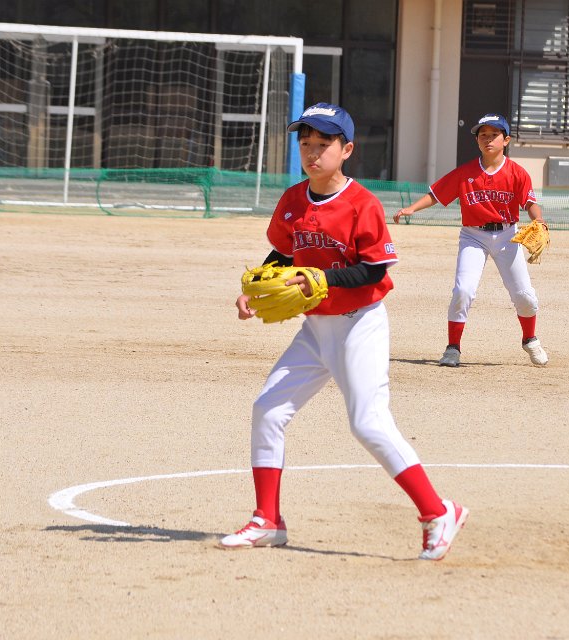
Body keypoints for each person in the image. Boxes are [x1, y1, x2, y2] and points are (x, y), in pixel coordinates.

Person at [224, 102, 468, 560]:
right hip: (315, 328)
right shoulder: (293, 200)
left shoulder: (362, 203)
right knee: (268, 410)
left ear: (347, 150)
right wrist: (256, 289)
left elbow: (374, 269)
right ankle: (268, 520)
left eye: (323, 144)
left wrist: (323, 278)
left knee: (368, 423)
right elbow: (284, 255)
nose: (312, 153)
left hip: (359, 325)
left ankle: (439, 512)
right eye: (306, 143)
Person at [394, 113, 549, 368]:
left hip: (507, 235)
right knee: (463, 291)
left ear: (506, 140)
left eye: (494, 135)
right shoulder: (465, 172)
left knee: (524, 295)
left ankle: (529, 339)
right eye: (483, 135)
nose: (488, 139)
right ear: (477, 140)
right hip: (473, 235)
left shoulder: (517, 173)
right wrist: (411, 208)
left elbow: (530, 202)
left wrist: (539, 220)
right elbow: (437, 194)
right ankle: (453, 348)